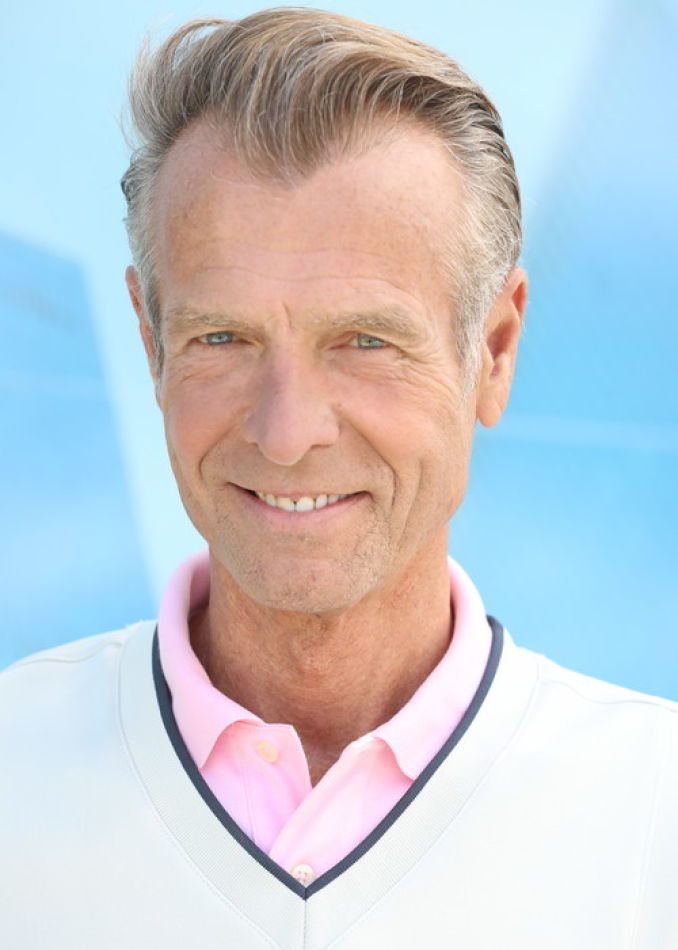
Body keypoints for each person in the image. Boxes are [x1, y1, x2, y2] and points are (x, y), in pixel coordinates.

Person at [1, 8, 676, 948]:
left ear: (494, 349)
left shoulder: (654, 812)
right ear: (151, 344)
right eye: (222, 338)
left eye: (365, 341)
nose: (285, 435)